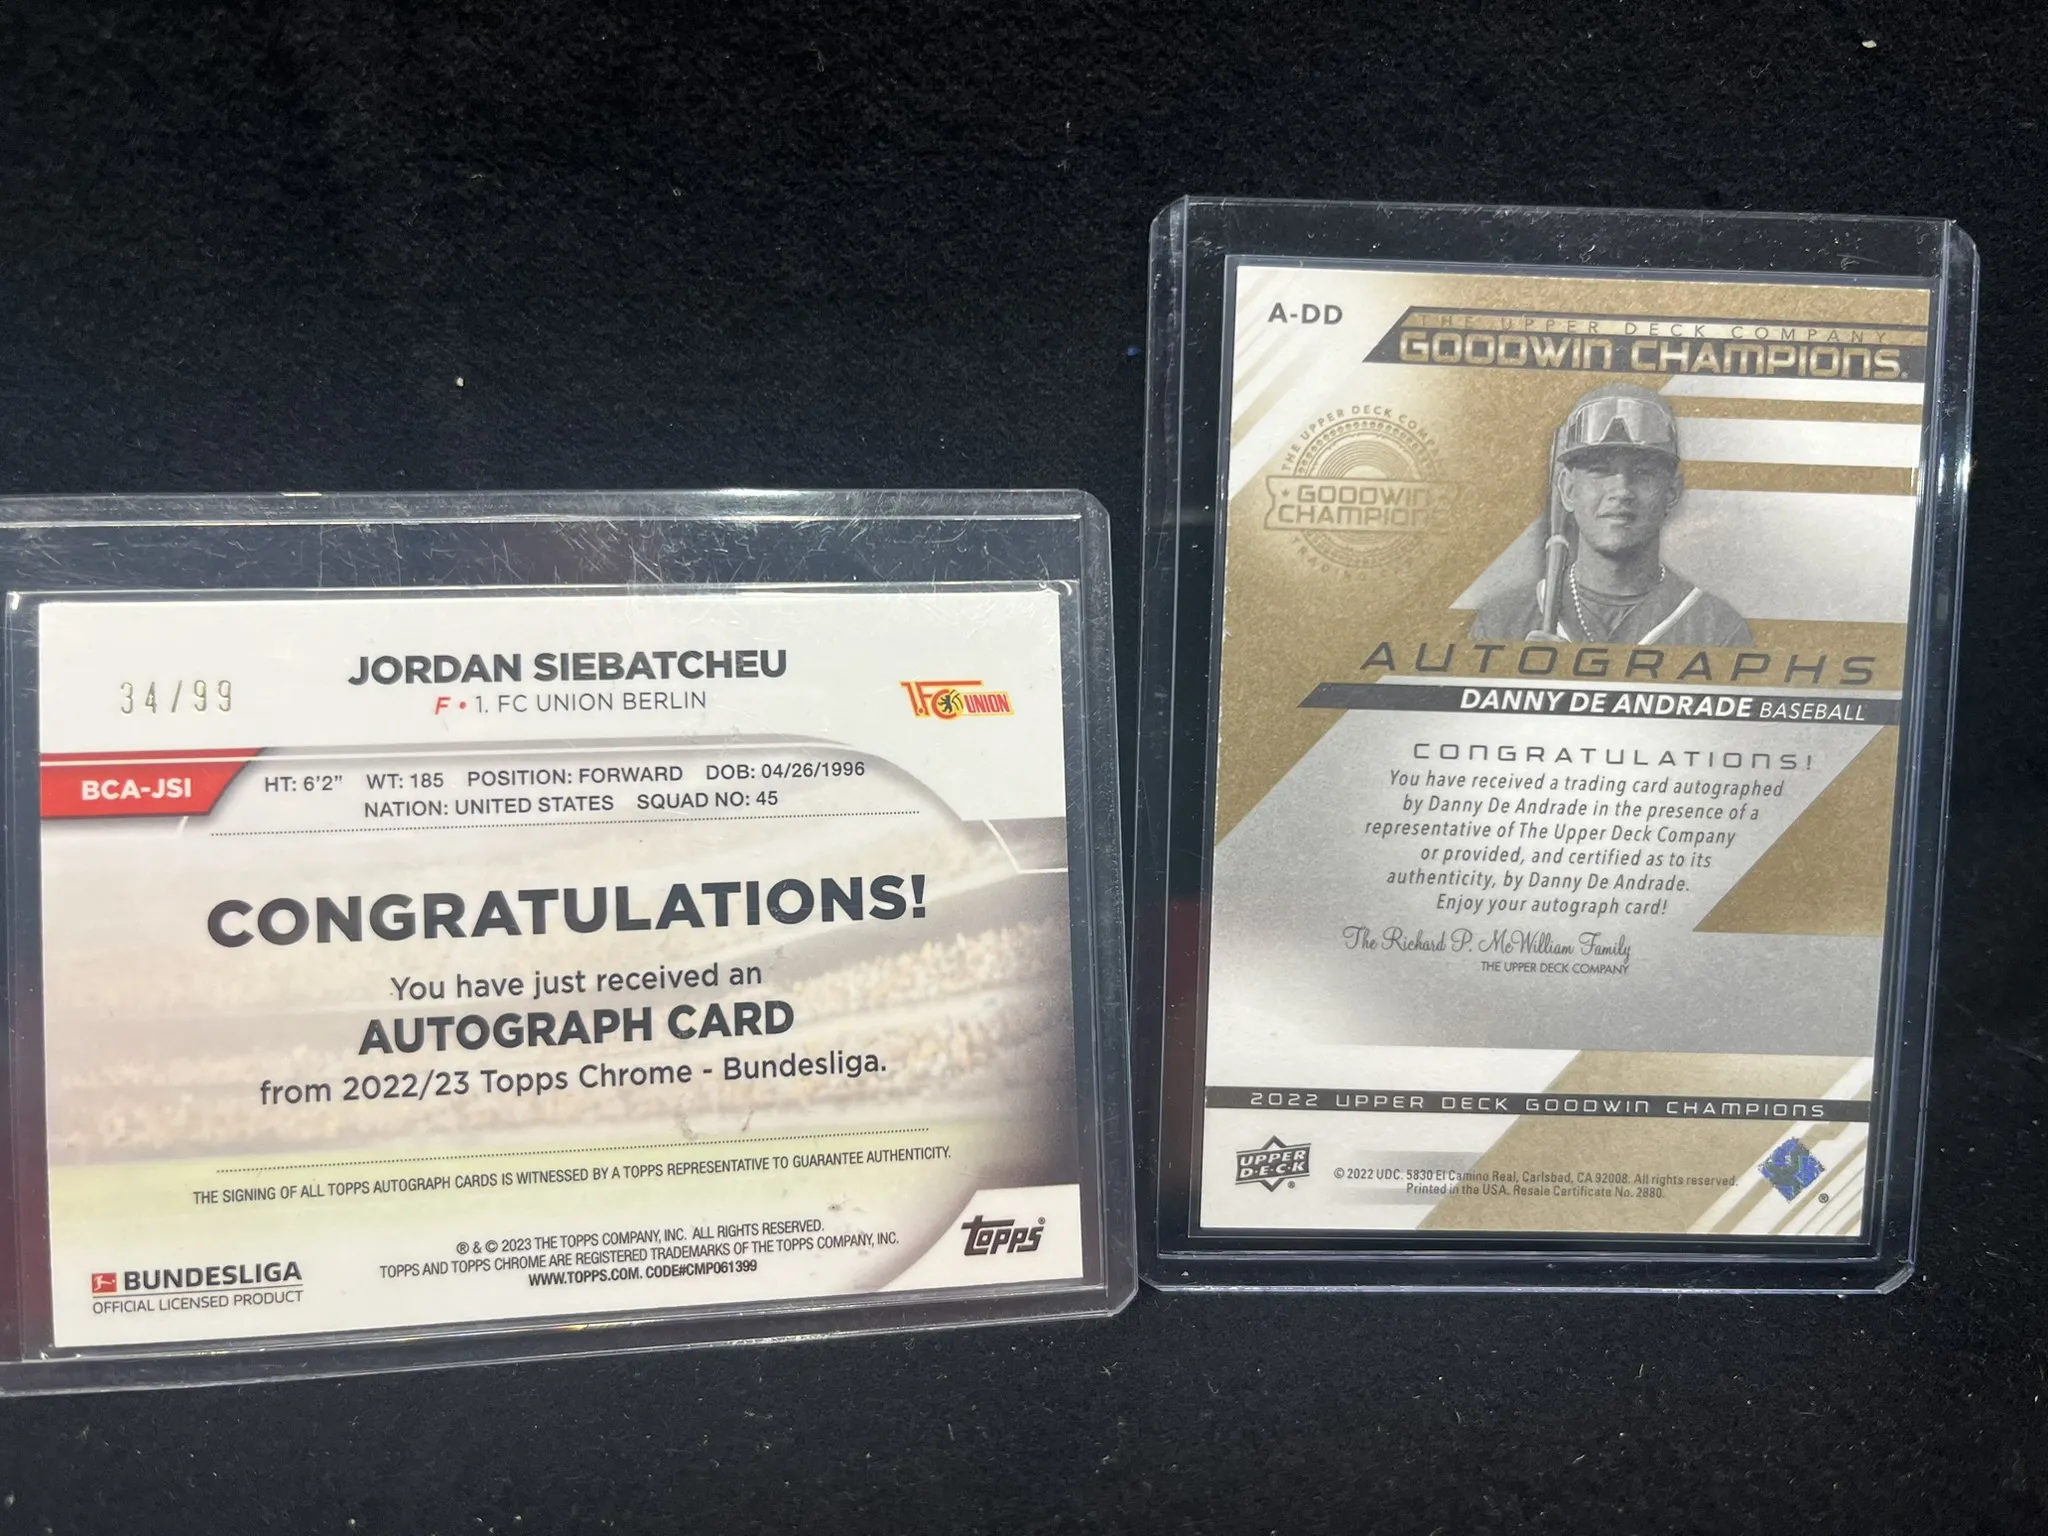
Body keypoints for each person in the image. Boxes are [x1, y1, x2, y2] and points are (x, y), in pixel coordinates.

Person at [1469, 382, 1751, 647]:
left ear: (1671, 492)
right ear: (1567, 489)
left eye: (1642, 472)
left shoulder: (1717, 630)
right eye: (1600, 470)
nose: (1621, 491)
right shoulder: (1501, 623)